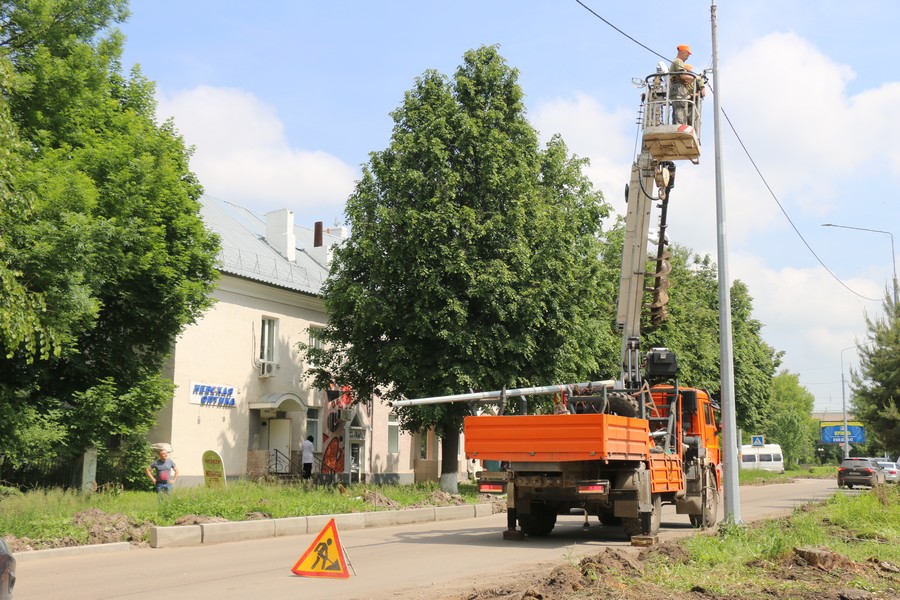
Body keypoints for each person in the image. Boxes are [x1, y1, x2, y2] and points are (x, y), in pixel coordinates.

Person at [670, 44, 694, 125]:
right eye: (687, 54)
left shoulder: (677, 61)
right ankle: (679, 124)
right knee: (680, 107)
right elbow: (682, 75)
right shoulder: (678, 61)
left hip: (676, 87)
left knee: (677, 107)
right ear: (682, 52)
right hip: (678, 87)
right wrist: (693, 78)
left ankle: (676, 124)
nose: (688, 56)